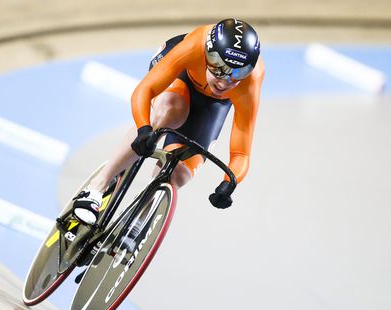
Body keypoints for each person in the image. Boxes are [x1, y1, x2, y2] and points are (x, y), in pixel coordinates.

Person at [73, 18, 265, 225]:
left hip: (213, 105)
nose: (224, 81)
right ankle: (97, 186)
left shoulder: (251, 80)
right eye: (218, 68)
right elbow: (144, 90)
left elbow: (241, 153)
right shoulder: (195, 45)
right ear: (208, 54)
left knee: (179, 174)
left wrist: (229, 182)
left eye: (238, 73)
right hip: (182, 75)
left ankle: (136, 226)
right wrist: (144, 128)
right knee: (170, 113)